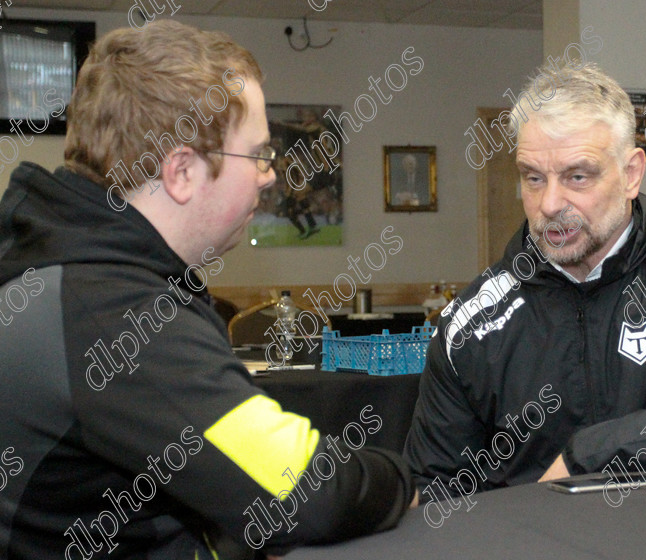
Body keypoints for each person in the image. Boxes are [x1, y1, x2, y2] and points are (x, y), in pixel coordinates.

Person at [0, 21, 413, 558]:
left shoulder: (67, 265)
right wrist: (404, 480)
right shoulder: (112, 310)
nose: (269, 176)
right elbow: (306, 493)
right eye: (259, 154)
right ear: (182, 172)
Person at [403, 62, 646, 503]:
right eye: (533, 177)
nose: (549, 203)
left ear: (631, 174)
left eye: (577, 176)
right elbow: (433, 491)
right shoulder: (471, 323)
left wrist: (596, 452)